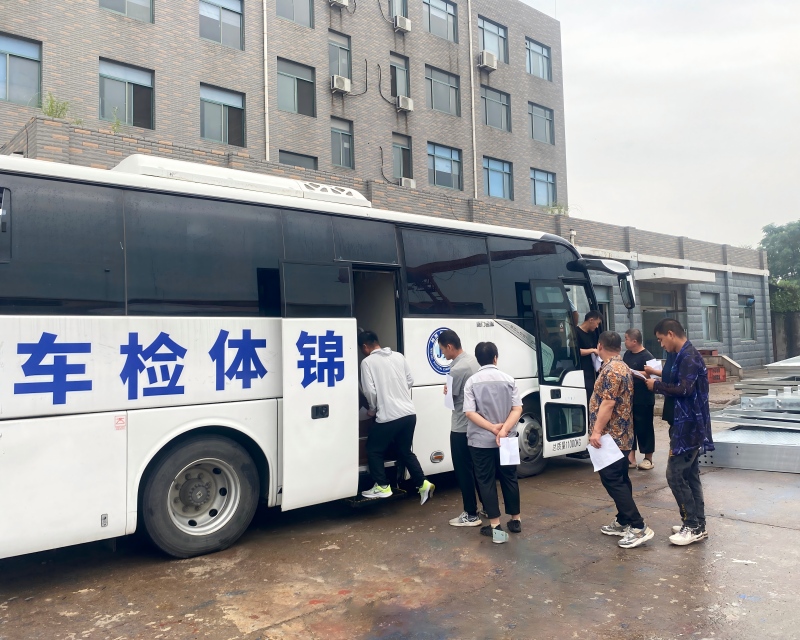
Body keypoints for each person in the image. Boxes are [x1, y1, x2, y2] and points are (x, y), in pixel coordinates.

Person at [645, 319, 714, 546]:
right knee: (690, 475)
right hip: (684, 424)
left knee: (674, 475)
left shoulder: (689, 357)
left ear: (671, 334)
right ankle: (697, 524)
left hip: (689, 428)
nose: (661, 344)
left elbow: (684, 389)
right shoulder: (681, 355)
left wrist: (656, 386)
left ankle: (692, 525)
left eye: (661, 339)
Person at [590, 331, 655, 549]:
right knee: (621, 477)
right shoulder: (622, 366)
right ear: (619, 347)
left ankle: (638, 526)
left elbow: (608, 403)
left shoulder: (612, 370)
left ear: (600, 346)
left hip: (611, 436)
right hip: (622, 434)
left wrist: (596, 431)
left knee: (612, 478)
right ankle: (623, 519)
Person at [358, 330, 435, 505]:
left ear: (365, 346)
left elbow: (370, 391)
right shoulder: (398, 356)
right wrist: (397, 392)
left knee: (373, 448)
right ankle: (423, 483)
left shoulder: (367, 362)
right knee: (404, 451)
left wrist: (372, 409)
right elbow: (410, 380)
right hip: (409, 414)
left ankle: (382, 486)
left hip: (389, 416)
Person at [463, 342, 523, 543]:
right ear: (495, 358)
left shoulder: (471, 382)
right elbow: (517, 409)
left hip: (480, 441)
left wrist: (492, 428)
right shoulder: (509, 379)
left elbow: (469, 412)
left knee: (486, 480)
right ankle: (515, 520)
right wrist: (504, 430)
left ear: (478, 359)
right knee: (510, 477)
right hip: (508, 438)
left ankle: (496, 527)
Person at [438, 330, 483, 527]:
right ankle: (488, 507)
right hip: (478, 425)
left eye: (442, 350)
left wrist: (447, 391)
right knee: (479, 469)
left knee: (463, 471)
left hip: (461, 427)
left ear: (449, 346)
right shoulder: (473, 361)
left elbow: (450, 402)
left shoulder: (456, 370)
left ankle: (471, 514)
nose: (443, 354)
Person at [623, 328, 656, 470]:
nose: (625, 342)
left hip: (644, 398)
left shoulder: (647, 356)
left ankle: (648, 458)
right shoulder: (627, 354)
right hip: (629, 398)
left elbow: (654, 375)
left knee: (645, 428)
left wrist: (634, 372)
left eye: (626, 339)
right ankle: (631, 458)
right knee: (630, 428)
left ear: (634, 341)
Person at [575, 311, 603, 404]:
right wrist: (592, 350)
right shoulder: (576, 332)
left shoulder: (593, 333)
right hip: (580, 369)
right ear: (591, 320)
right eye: (597, 323)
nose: (597, 326)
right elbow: (575, 351)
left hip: (591, 369)